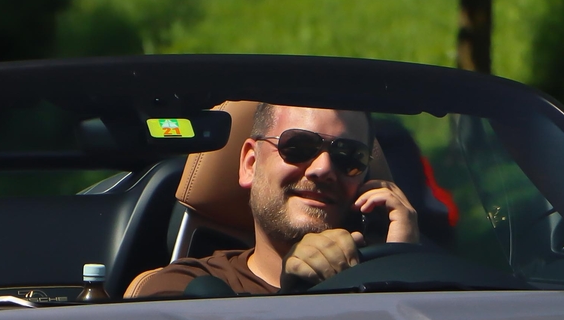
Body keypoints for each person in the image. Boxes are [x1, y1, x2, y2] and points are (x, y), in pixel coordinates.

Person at [126, 105, 416, 299]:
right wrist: (293, 296)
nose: (323, 169)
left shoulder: (388, 290)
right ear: (250, 164)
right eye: (299, 146)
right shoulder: (183, 287)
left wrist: (403, 265)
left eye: (349, 156)